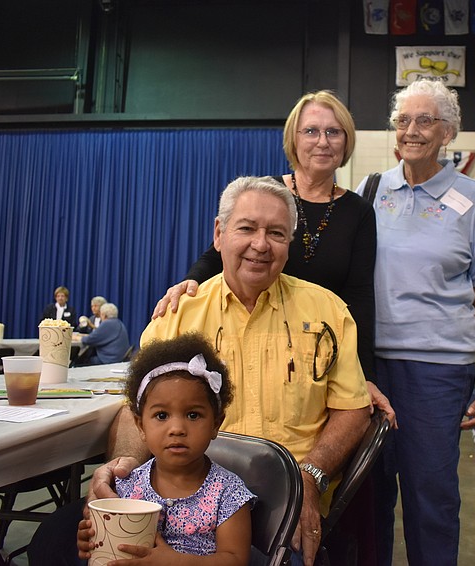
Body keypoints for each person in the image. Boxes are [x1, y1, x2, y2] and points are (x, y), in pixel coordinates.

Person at [89, 176, 372, 566]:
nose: (260, 244)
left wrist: (310, 475)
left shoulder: (329, 313)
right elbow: (136, 409)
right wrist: (123, 465)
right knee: (64, 538)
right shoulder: (176, 315)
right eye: (247, 228)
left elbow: (353, 409)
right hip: (181, 504)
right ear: (219, 234)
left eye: (275, 232)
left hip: (284, 510)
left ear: (288, 244)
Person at [153, 90, 394, 426]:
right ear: (293, 139)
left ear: (346, 142)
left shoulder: (359, 212)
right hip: (269, 342)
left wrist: (363, 376)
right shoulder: (268, 194)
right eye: (311, 131)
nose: (322, 141)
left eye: (333, 132)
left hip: (324, 351)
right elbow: (221, 249)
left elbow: (360, 297)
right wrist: (191, 281)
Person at [356, 79, 475, 566]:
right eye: (403, 120)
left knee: (431, 496)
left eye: (425, 120)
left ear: (448, 132)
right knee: (367, 494)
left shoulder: (471, 198)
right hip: (370, 367)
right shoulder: (371, 190)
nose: (411, 130)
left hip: (437, 371)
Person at [77, 333, 254, 563]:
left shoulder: (228, 493)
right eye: (161, 415)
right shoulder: (128, 486)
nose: (177, 429)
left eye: (193, 415)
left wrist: (174, 561)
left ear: (215, 424)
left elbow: (235, 560)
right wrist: (92, 539)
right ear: (141, 426)